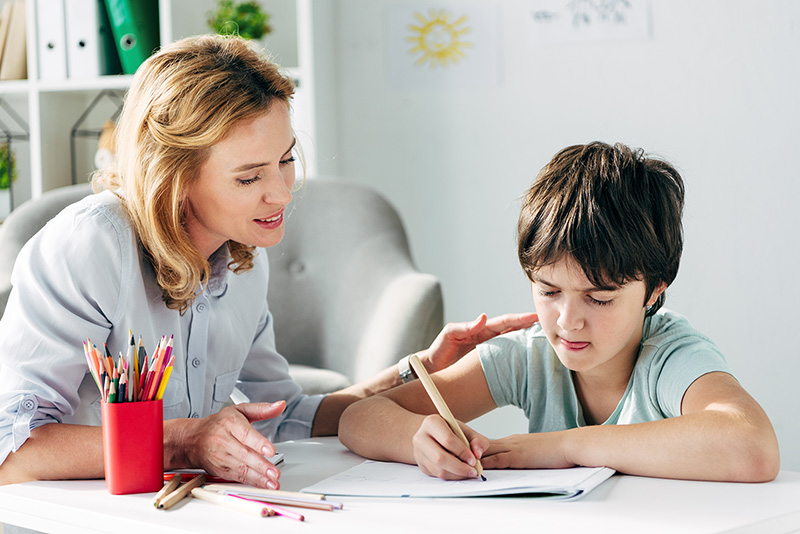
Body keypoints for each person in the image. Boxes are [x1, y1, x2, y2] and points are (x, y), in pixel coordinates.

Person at [0, 35, 537, 489]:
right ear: (175, 176)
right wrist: (187, 439)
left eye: (285, 161)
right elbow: (12, 449)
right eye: (249, 177)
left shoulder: (244, 260)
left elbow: (285, 417)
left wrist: (415, 372)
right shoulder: (89, 246)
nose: (281, 195)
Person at [339, 142, 780, 483]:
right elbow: (358, 418)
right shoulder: (529, 354)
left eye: (599, 298)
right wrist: (416, 440)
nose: (568, 321)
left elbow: (752, 445)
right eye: (549, 291)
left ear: (653, 291)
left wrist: (565, 446)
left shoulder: (670, 356)